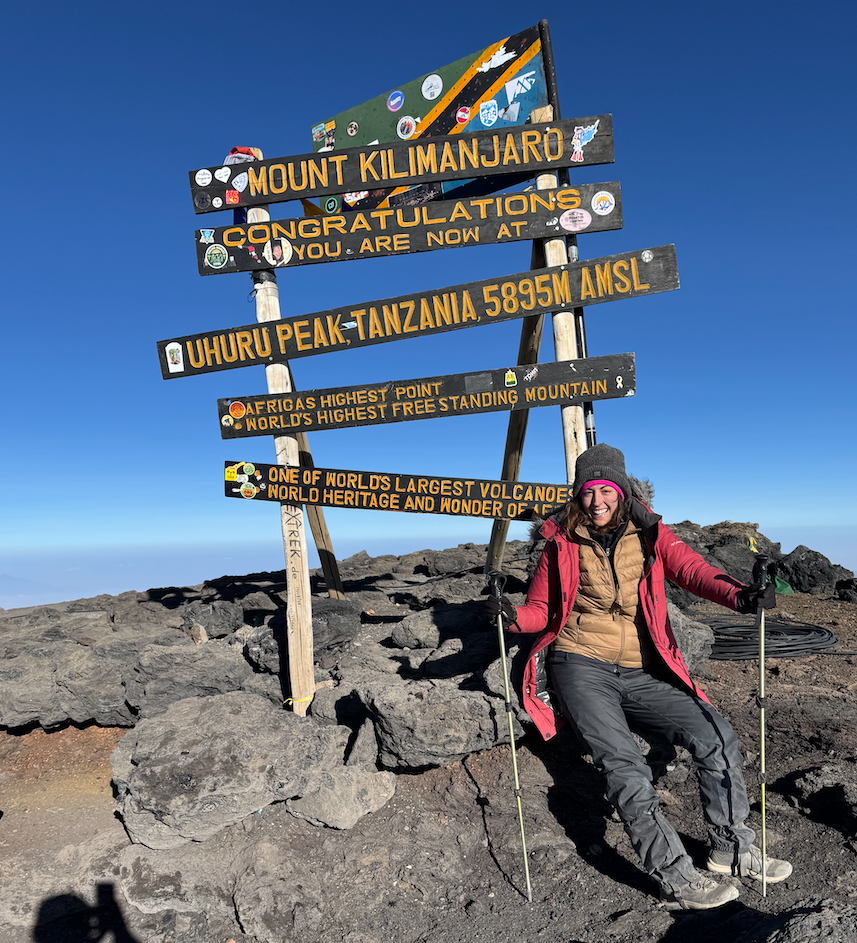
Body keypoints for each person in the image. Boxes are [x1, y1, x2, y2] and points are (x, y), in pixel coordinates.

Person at [486, 443, 792, 910]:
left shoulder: (651, 534)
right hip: (580, 664)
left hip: (641, 668)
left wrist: (741, 598)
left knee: (716, 734)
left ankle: (732, 849)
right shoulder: (559, 542)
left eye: (606, 490)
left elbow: (693, 570)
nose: (597, 502)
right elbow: (540, 610)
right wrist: (508, 615)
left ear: (623, 492)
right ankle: (675, 875)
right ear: (578, 495)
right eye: (589, 492)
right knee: (624, 767)